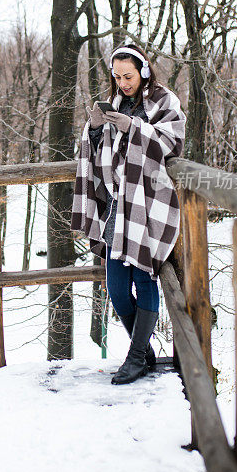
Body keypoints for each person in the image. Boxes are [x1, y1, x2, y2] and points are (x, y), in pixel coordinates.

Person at [71, 44, 186, 385]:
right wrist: (94, 128)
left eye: (129, 76)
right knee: (117, 286)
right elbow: (100, 149)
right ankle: (145, 352)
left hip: (148, 200)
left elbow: (172, 144)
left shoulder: (165, 100)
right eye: (117, 76)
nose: (122, 83)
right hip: (117, 202)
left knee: (143, 276)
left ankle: (136, 358)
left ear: (144, 72)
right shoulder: (117, 102)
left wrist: (133, 127)